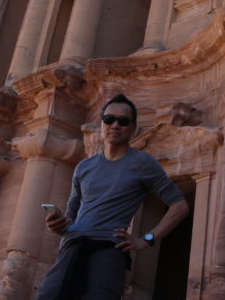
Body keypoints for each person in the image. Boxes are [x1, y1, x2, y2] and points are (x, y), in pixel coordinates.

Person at [35, 93, 190, 299]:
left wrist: (145, 240)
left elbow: (180, 206)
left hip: (108, 249)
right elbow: (71, 217)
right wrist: (58, 224)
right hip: (72, 247)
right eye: (109, 120)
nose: (115, 125)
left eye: (123, 121)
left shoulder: (143, 163)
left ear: (133, 128)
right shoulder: (84, 167)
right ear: (101, 124)